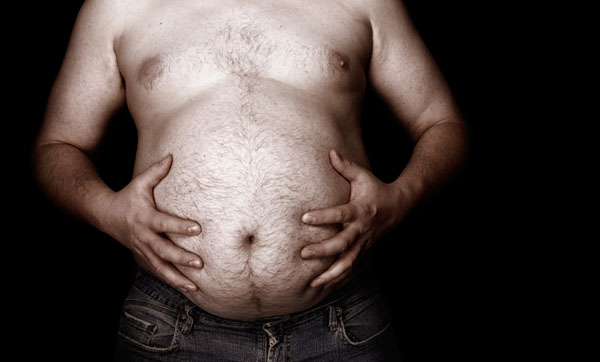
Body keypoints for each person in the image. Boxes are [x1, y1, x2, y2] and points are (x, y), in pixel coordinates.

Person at [33, 0, 467, 360]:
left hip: (341, 324)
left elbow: (442, 122)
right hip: (171, 326)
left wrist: (400, 197)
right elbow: (57, 145)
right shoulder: (118, 7)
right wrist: (107, 212)